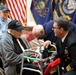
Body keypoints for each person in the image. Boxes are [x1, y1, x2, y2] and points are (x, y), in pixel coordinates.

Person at [0, 4, 11, 69]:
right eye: (4, 12)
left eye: (7, 12)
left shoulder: (9, 21)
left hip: (9, 42)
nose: (6, 13)